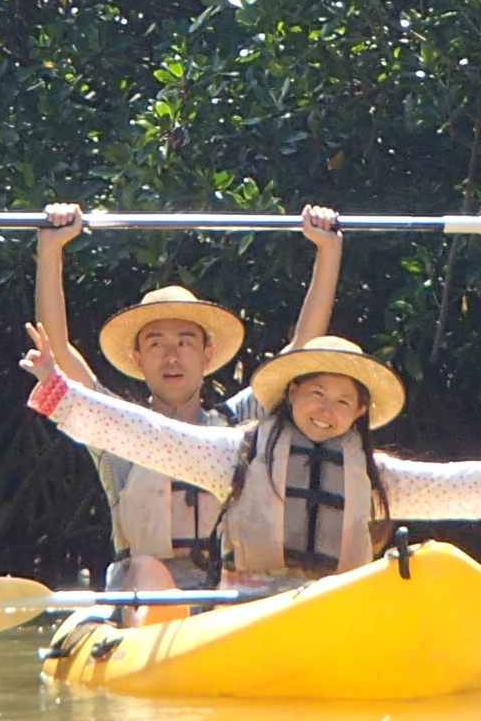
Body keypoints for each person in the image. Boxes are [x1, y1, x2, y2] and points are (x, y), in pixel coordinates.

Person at [20, 327, 481, 591]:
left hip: (330, 603)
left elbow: (452, 488)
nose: (327, 410)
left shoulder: (372, 475)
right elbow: (139, 434)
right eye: (317, 394)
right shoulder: (235, 454)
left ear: (358, 415)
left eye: (344, 401)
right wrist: (59, 390)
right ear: (291, 395)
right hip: (247, 605)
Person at [34, 202, 344, 600]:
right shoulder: (120, 432)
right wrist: (50, 248)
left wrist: (328, 250)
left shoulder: (238, 425)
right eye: (156, 344)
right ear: (137, 358)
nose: (172, 357)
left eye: (184, 342)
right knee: (147, 569)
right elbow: (58, 351)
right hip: (144, 598)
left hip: (225, 591)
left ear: (207, 355)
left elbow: (303, 351)